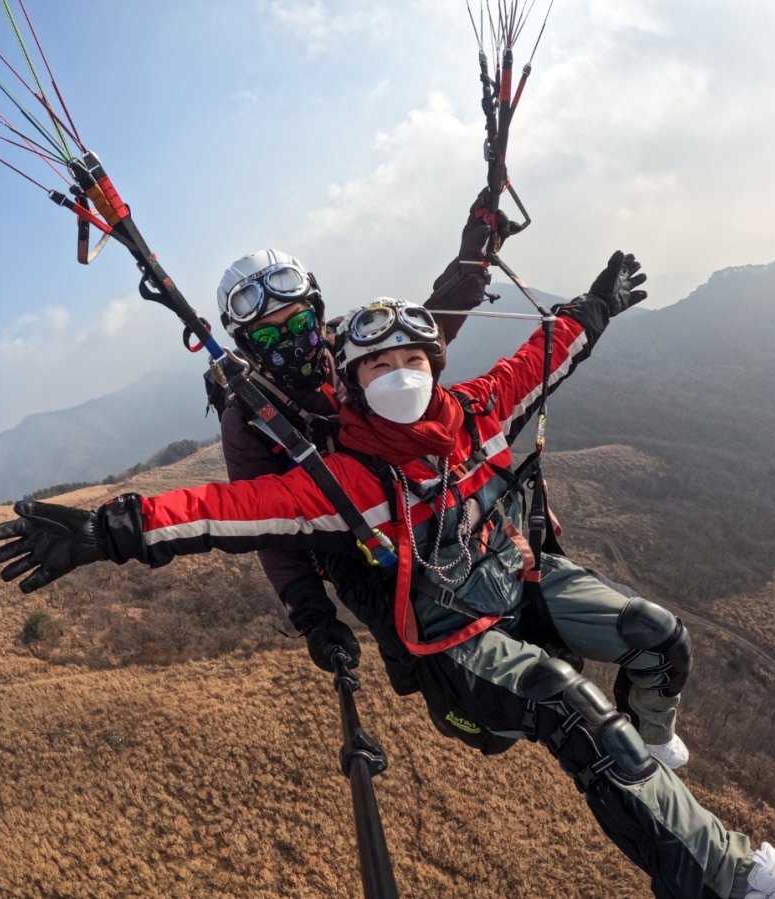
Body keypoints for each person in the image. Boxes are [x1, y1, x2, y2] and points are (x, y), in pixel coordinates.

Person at [0, 257, 775, 899]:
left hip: (519, 579)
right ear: (355, 381)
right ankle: (734, 879)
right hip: (453, 639)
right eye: (379, 366)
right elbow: (225, 510)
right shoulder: (341, 481)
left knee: (658, 637)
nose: (400, 375)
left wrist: (594, 308)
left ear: (432, 361)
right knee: (571, 706)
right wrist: (111, 528)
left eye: (412, 360)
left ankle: (655, 766)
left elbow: (541, 356)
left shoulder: (476, 411)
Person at [211, 201, 689, 770]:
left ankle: (613, 716)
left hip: (449, 523)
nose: (291, 341)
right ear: (246, 345)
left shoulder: (350, 346)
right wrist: (314, 616)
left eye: (296, 323)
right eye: (269, 337)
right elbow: (270, 523)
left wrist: (477, 254)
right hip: (376, 557)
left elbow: (429, 326)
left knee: (606, 632)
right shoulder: (251, 419)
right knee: (506, 701)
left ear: (315, 312)